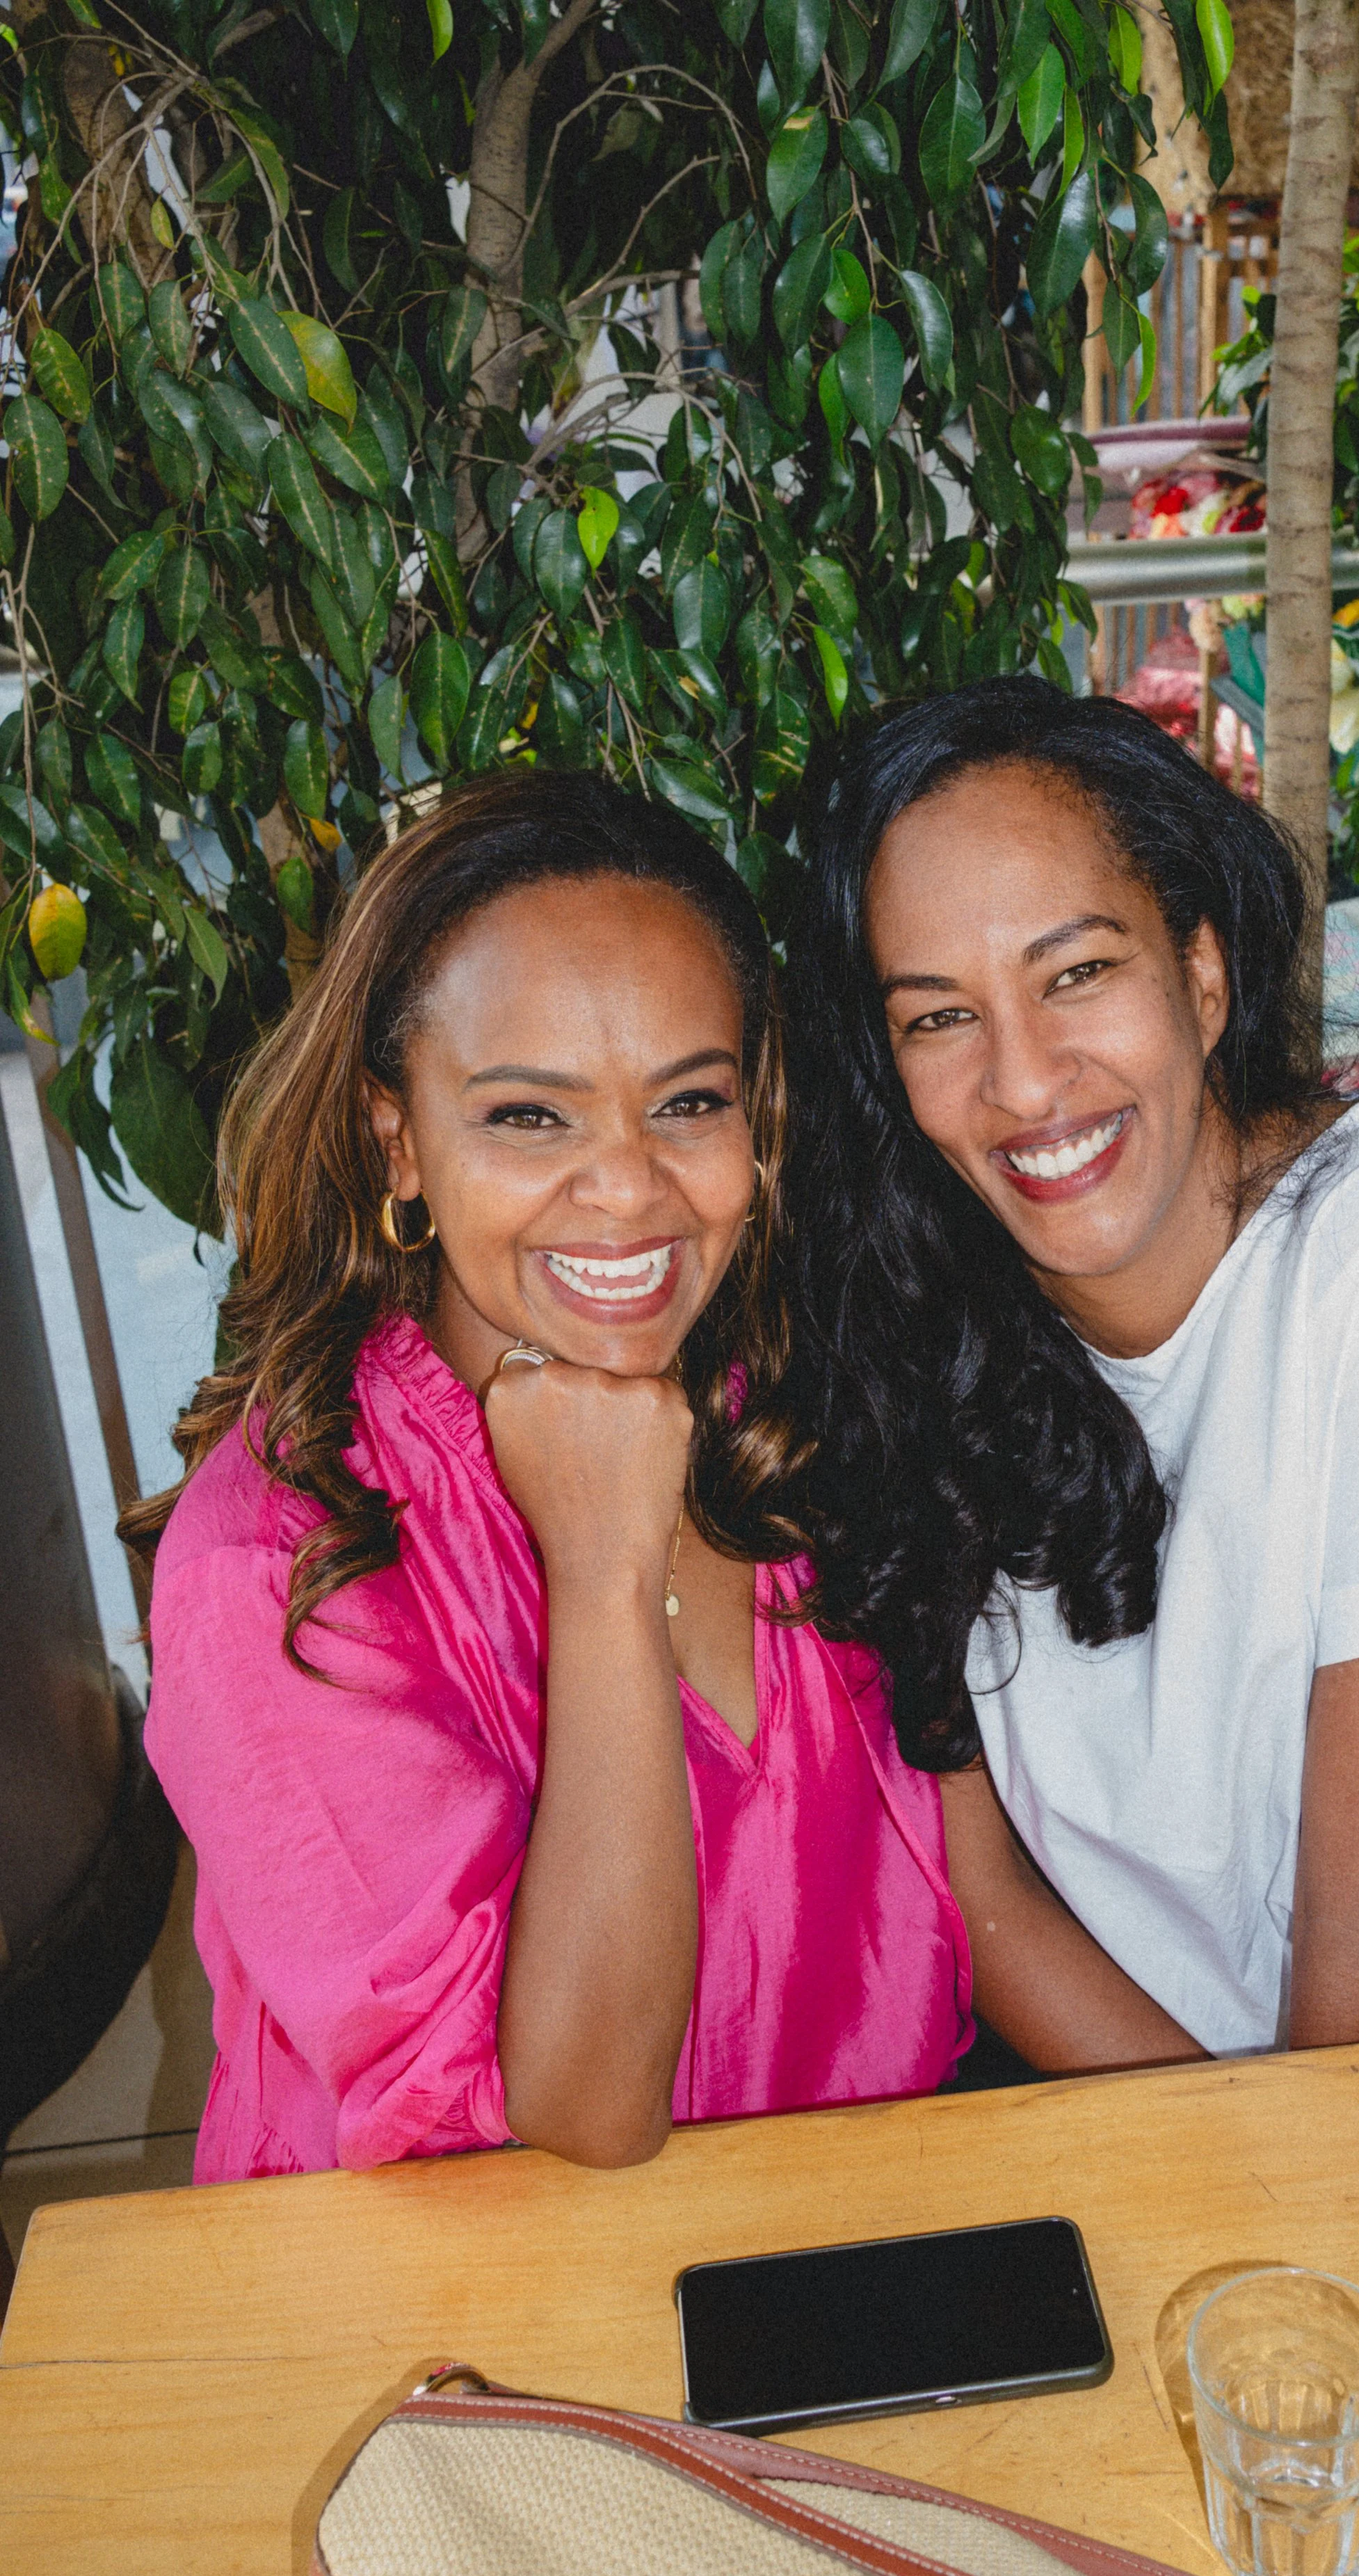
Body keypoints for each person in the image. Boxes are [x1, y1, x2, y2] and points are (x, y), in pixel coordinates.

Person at [129, 769, 1182, 2184]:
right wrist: (605, 1567)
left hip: (845, 2255)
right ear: (400, 1140)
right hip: (479, 2341)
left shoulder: (785, 1407)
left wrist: (1263, 2158)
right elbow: (581, 2107)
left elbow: (976, 1900)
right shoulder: (280, 1564)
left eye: (685, 1103)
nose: (625, 1190)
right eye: (528, 1118)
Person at [786, 677, 1359, 2058]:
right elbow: (980, 1892)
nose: (1026, 1081)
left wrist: (1284, 2243)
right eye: (938, 1018)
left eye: (1078, 973)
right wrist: (1205, 2181)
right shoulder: (894, 1316)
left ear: (1202, 974)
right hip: (1167, 2097)